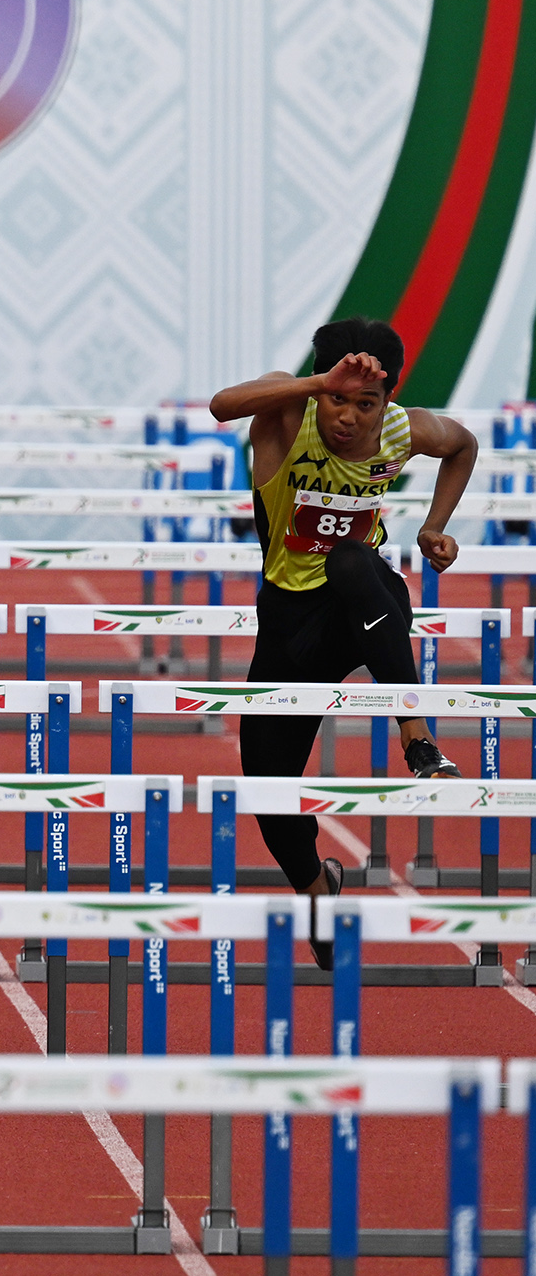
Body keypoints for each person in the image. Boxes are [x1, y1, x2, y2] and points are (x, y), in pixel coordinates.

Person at [209, 317, 476, 967]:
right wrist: (315, 384)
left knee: (353, 561)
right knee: (266, 788)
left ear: (387, 401)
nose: (349, 417)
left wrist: (434, 527)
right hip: (291, 627)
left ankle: (416, 735)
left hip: (367, 606)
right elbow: (222, 405)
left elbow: (463, 445)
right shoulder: (287, 414)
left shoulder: (402, 430)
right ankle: (317, 890)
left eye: (366, 404)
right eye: (337, 399)